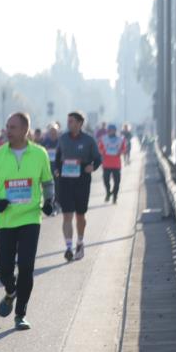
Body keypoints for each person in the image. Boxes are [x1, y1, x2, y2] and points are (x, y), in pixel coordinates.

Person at [0, 112, 54, 330]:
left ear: (25, 130)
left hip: (31, 217)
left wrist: (50, 201)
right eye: (7, 126)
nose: (8, 130)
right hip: (5, 220)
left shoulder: (39, 153)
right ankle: (10, 291)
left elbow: (47, 182)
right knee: (4, 271)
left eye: (12, 127)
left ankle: (20, 314)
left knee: (26, 267)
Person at [54, 112, 102, 261]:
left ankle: (80, 242)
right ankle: (68, 247)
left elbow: (98, 158)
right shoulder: (63, 138)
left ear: (80, 123)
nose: (69, 124)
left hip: (82, 180)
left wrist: (92, 168)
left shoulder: (88, 140)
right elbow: (57, 157)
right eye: (68, 121)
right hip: (65, 181)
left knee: (80, 215)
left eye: (72, 121)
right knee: (67, 214)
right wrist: (56, 169)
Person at [99, 123, 127, 205]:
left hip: (116, 164)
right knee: (106, 180)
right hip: (106, 164)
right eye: (109, 130)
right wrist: (103, 152)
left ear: (115, 131)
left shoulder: (121, 139)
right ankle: (108, 192)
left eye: (112, 130)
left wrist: (120, 152)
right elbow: (99, 148)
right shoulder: (103, 139)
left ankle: (115, 196)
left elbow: (124, 149)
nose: (111, 132)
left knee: (117, 182)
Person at [40, 124, 61, 216]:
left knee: (57, 188)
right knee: (47, 189)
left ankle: (56, 205)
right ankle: (49, 205)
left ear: (57, 133)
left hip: (57, 169)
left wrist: (59, 168)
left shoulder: (61, 142)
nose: (53, 134)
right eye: (51, 132)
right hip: (47, 170)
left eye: (55, 132)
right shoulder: (44, 143)